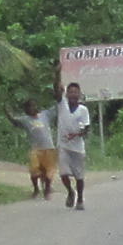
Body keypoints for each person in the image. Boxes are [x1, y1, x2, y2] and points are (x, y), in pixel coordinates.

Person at [41, 78, 93, 207]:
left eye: (76, 92)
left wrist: (76, 134)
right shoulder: (62, 104)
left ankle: (80, 199)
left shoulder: (83, 110)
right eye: (71, 92)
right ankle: (70, 191)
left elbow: (86, 129)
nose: (73, 94)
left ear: (79, 94)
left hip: (77, 148)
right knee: (64, 174)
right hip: (63, 146)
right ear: (67, 94)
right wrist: (56, 75)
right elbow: (56, 90)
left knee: (79, 176)